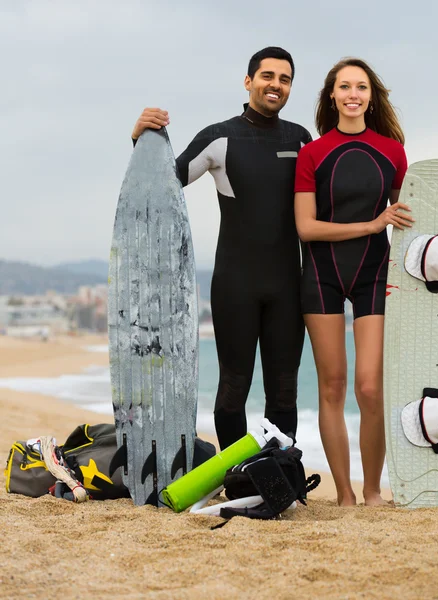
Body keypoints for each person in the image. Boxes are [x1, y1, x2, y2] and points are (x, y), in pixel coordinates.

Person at [294, 58, 438, 506]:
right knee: (332, 385)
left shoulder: (392, 151)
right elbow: (306, 227)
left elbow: (418, 215)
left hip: (374, 274)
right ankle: (344, 493)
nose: (352, 94)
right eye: (344, 86)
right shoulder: (313, 152)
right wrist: (371, 224)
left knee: (370, 385)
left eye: (360, 87)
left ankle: (372, 491)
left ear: (370, 95)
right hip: (322, 276)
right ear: (331, 94)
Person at [131, 47, 312, 450]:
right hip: (236, 284)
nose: (275, 85)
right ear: (248, 81)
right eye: (267, 76)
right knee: (234, 386)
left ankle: (276, 472)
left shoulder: (300, 138)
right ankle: (234, 472)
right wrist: (138, 138)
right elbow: (162, 184)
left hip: (288, 285)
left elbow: (326, 198)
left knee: (284, 390)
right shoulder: (220, 136)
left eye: (284, 79)